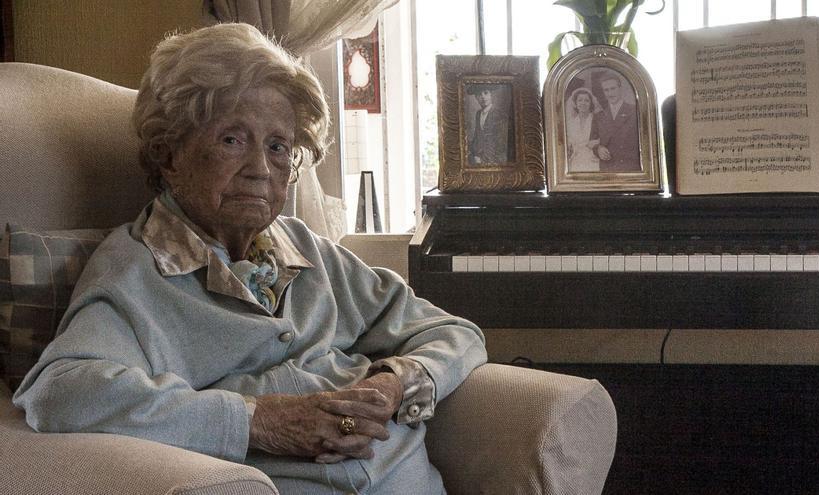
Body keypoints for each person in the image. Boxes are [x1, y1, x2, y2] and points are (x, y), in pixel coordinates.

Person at [12, 23, 487, 494]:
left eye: (278, 147)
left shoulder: (308, 250)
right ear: (169, 153)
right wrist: (259, 420)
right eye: (232, 140)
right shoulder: (136, 268)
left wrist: (393, 381)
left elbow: (453, 332)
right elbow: (61, 392)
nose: (261, 169)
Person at [594, 73, 641, 172]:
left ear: (620, 88)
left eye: (613, 88)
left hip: (630, 168)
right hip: (607, 168)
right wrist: (598, 149)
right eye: (606, 90)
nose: (610, 93)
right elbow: (592, 141)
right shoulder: (599, 115)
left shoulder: (635, 111)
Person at [467, 84, 513, 165]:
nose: (483, 97)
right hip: (479, 155)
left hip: (494, 158)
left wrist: (483, 160)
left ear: (491, 94)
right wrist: (473, 152)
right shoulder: (478, 114)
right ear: (476, 98)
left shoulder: (499, 114)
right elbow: (477, 136)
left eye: (486, 93)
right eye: (479, 95)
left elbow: (501, 143)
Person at [565, 87, 602, 172]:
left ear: (591, 103)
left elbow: (605, 139)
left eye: (586, 100)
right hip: (576, 162)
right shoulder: (571, 122)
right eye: (580, 100)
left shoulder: (597, 120)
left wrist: (597, 142)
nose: (583, 103)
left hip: (593, 161)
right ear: (575, 103)